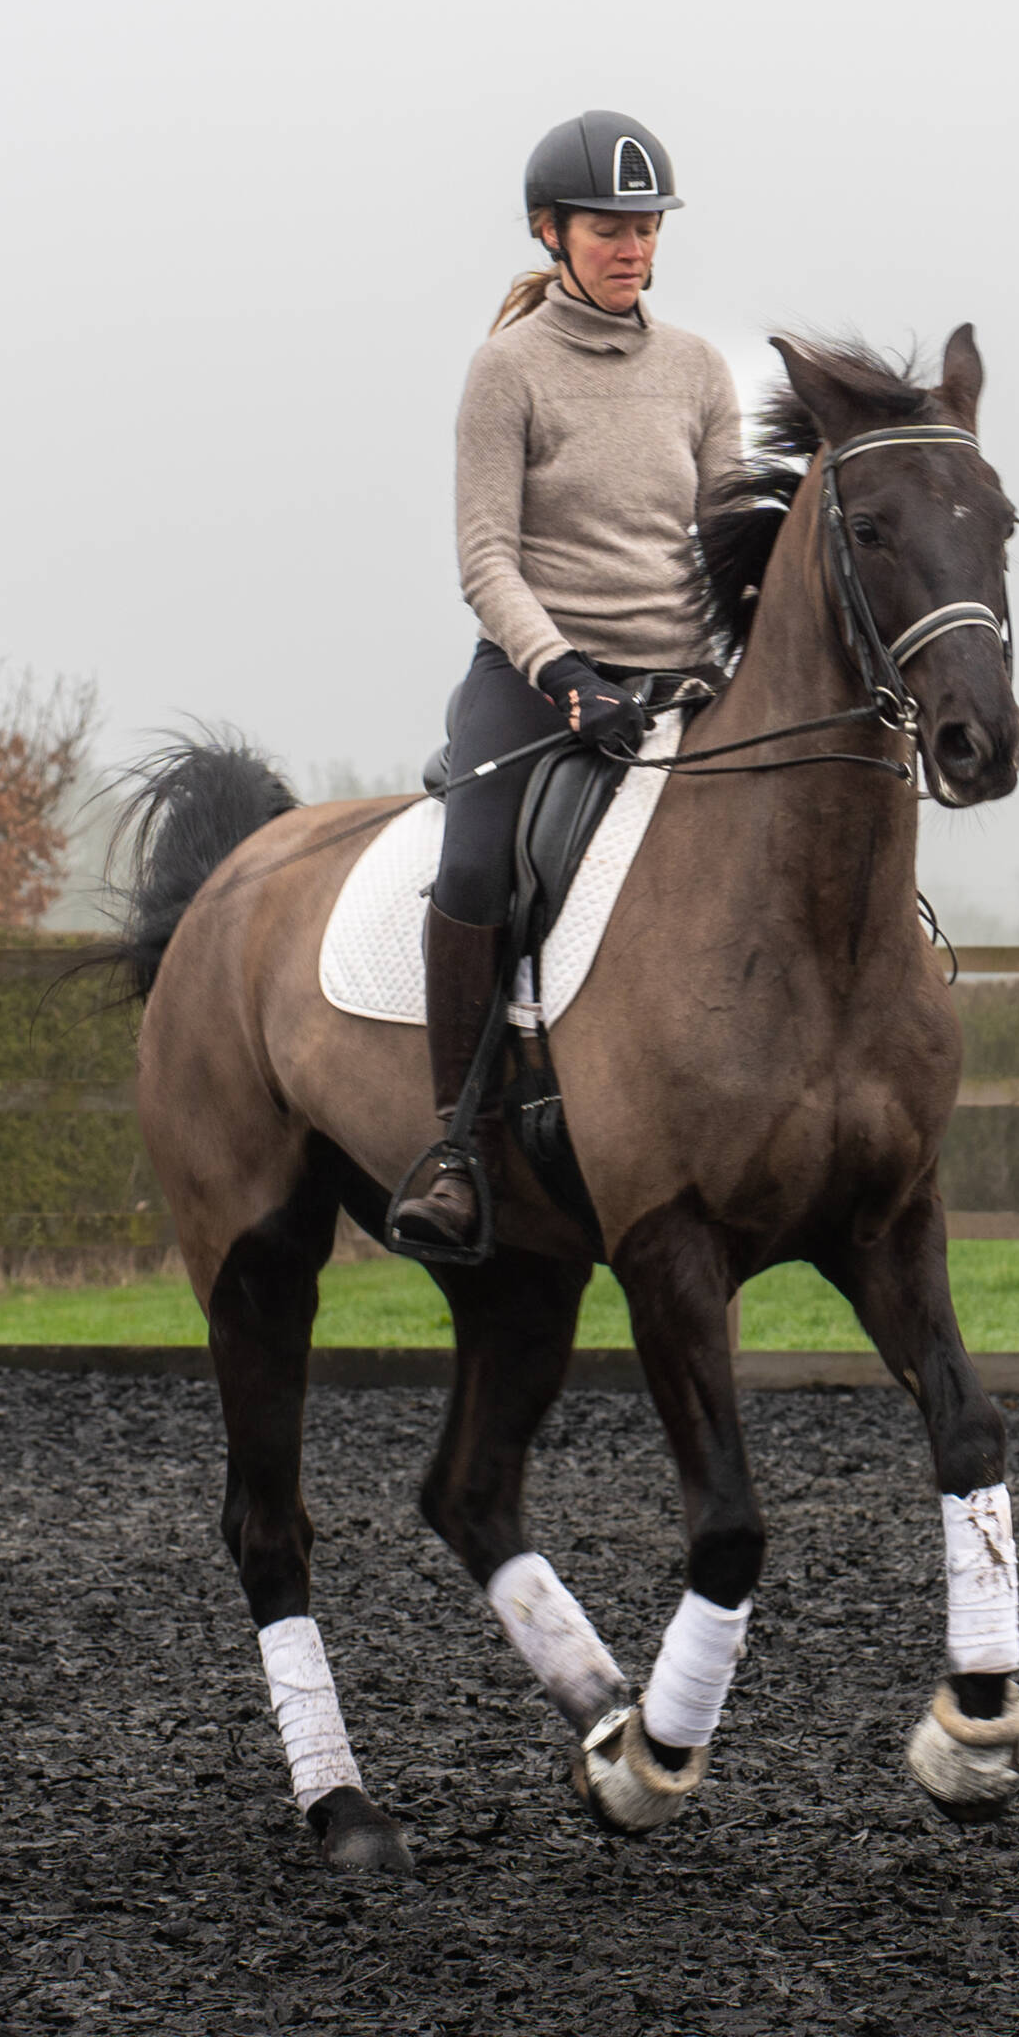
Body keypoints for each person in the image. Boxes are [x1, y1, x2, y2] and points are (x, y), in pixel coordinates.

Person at [387, 109, 741, 1254]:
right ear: (551, 232)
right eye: (607, 227)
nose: (632, 245)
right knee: (479, 856)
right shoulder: (508, 370)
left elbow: (727, 538)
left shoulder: (695, 369)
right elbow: (485, 557)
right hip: (539, 676)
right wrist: (568, 673)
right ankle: (455, 1144)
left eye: (645, 226)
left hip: (676, 680)